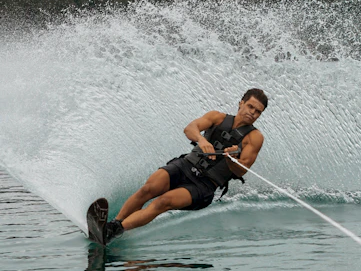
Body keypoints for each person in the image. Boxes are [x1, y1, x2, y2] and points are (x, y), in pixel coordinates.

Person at [104, 88, 268, 243]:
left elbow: (241, 170)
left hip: (205, 185)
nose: (252, 113)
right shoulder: (217, 117)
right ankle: (115, 223)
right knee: (148, 189)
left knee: (163, 201)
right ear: (241, 103)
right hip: (185, 165)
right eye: (250, 106)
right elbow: (190, 128)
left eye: (257, 111)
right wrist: (202, 140)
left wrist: (230, 159)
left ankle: (114, 231)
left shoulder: (254, 138)